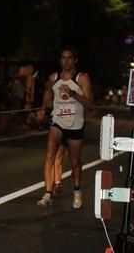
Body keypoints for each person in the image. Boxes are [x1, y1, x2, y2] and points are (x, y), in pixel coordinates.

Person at [36, 47, 94, 209]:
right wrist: (42, 108)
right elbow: (48, 92)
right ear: (60, 60)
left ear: (75, 60)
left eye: (69, 58)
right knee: (49, 156)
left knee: (75, 161)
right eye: (63, 58)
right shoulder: (54, 77)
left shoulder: (82, 78)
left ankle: (77, 191)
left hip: (75, 125)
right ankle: (48, 193)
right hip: (57, 122)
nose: (66, 61)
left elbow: (90, 105)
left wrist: (73, 94)